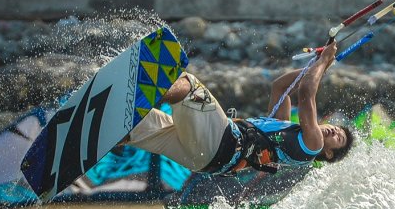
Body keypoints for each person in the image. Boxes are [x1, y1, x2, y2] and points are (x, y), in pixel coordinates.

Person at [126, 40, 353, 174]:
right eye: (336, 128)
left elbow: (306, 94)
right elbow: (281, 86)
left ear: (329, 153)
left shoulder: (312, 146)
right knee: (141, 125)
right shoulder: (280, 126)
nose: (334, 131)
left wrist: (323, 64)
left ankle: (146, 91)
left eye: (338, 138)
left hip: (222, 144)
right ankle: (116, 131)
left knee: (189, 86)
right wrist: (317, 65)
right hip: (207, 160)